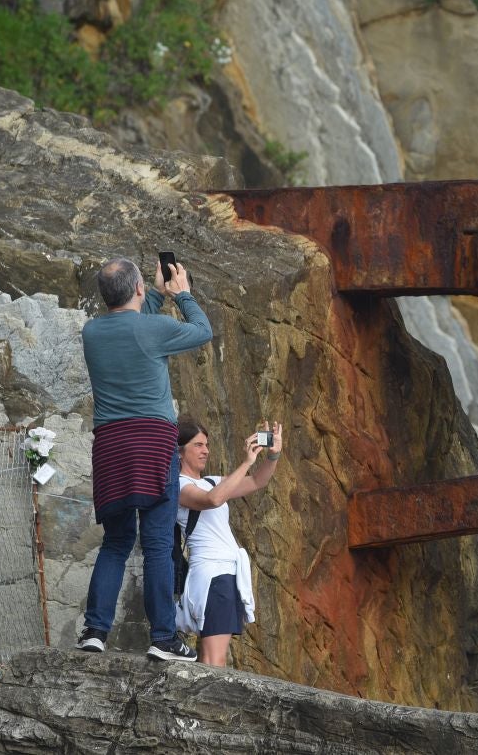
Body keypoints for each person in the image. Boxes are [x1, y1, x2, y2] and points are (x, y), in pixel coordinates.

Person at [76, 255, 212, 662]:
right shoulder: (155, 328)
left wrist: (152, 292)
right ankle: (163, 638)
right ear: (135, 289)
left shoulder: (92, 332)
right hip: (153, 442)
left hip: (111, 444)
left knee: (116, 541)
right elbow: (202, 331)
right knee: (156, 543)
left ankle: (95, 631)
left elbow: (133, 329)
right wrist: (181, 294)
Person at [176, 415, 283, 666]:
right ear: (179, 452)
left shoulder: (213, 481)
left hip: (226, 573)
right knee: (216, 659)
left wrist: (272, 456)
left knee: (209, 656)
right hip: (212, 574)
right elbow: (212, 500)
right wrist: (247, 461)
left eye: (207, 445)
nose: (206, 451)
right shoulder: (179, 485)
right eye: (198, 445)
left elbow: (258, 481)